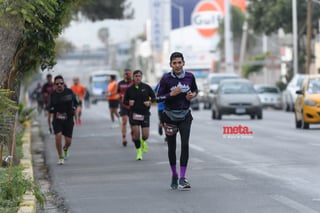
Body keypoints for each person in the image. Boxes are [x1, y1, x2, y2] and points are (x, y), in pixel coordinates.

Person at [156, 52, 198, 190]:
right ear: (170, 65)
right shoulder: (166, 79)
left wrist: (192, 95)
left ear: (184, 63)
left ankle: (182, 177)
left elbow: (195, 90)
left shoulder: (190, 76)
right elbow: (158, 98)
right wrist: (170, 94)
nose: (177, 65)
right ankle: (174, 174)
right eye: (175, 63)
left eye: (180, 62)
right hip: (170, 116)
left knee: (185, 145)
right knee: (172, 147)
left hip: (185, 115)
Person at [47, 75, 80, 165]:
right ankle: (60, 157)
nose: (59, 85)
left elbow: (77, 102)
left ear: (63, 83)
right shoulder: (52, 95)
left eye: (61, 83)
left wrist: (76, 114)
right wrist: (49, 123)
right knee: (58, 137)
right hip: (57, 119)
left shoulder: (70, 92)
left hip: (68, 119)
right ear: (54, 85)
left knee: (68, 141)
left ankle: (65, 148)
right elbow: (49, 109)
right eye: (57, 84)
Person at [123, 70, 156, 160]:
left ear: (141, 77)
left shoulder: (146, 87)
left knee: (145, 135)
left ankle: (143, 141)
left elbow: (154, 97)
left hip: (145, 114)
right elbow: (124, 101)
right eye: (136, 76)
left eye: (139, 76)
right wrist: (129, 102)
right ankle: (139, 152)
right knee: (136, 135)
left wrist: (149, 102)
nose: (138, 77)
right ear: (133, 77)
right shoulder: (129, 89)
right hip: (134, 114)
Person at [117, 69, 134, 146]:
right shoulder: (120, 83)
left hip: (132, 105)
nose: (128, 75)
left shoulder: (133, 83)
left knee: (132, 122)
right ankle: (124, 138)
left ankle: (132, 135)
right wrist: (121, 96)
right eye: (126, 74)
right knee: (124, 121)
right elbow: (117, 94)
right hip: (123, 105)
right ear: (124, 75)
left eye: (129, 74)